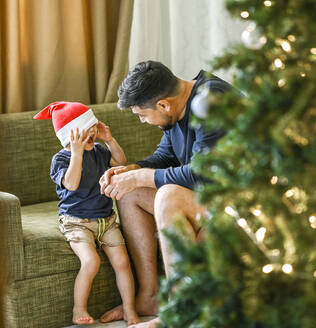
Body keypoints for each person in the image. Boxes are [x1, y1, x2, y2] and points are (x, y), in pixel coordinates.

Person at [98, 61, 231, 327]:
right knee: (130, 192)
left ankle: (179, 313)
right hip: (209, 199)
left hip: (242, 200)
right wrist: (134, 170)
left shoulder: (211, 100)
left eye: (142, 115)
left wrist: (142, 177)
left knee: (168, 193)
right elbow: (166, 156)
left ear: (164, 105)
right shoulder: (176, 110)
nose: (142, 121)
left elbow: (205, 173)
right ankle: (149, 297)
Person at [34, 102, 141, 326]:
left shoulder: (100, 151)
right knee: (90, 261)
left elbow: (120, 162)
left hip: (106, 220)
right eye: (86, 128)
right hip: (76, 221)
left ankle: (129, 309)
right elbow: (71, 184)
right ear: (69, 136)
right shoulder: (61, 160)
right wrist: (76, 153)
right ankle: (78, 309)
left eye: (93, 126)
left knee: (123, 262)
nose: (92, 132)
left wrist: (109, 139)